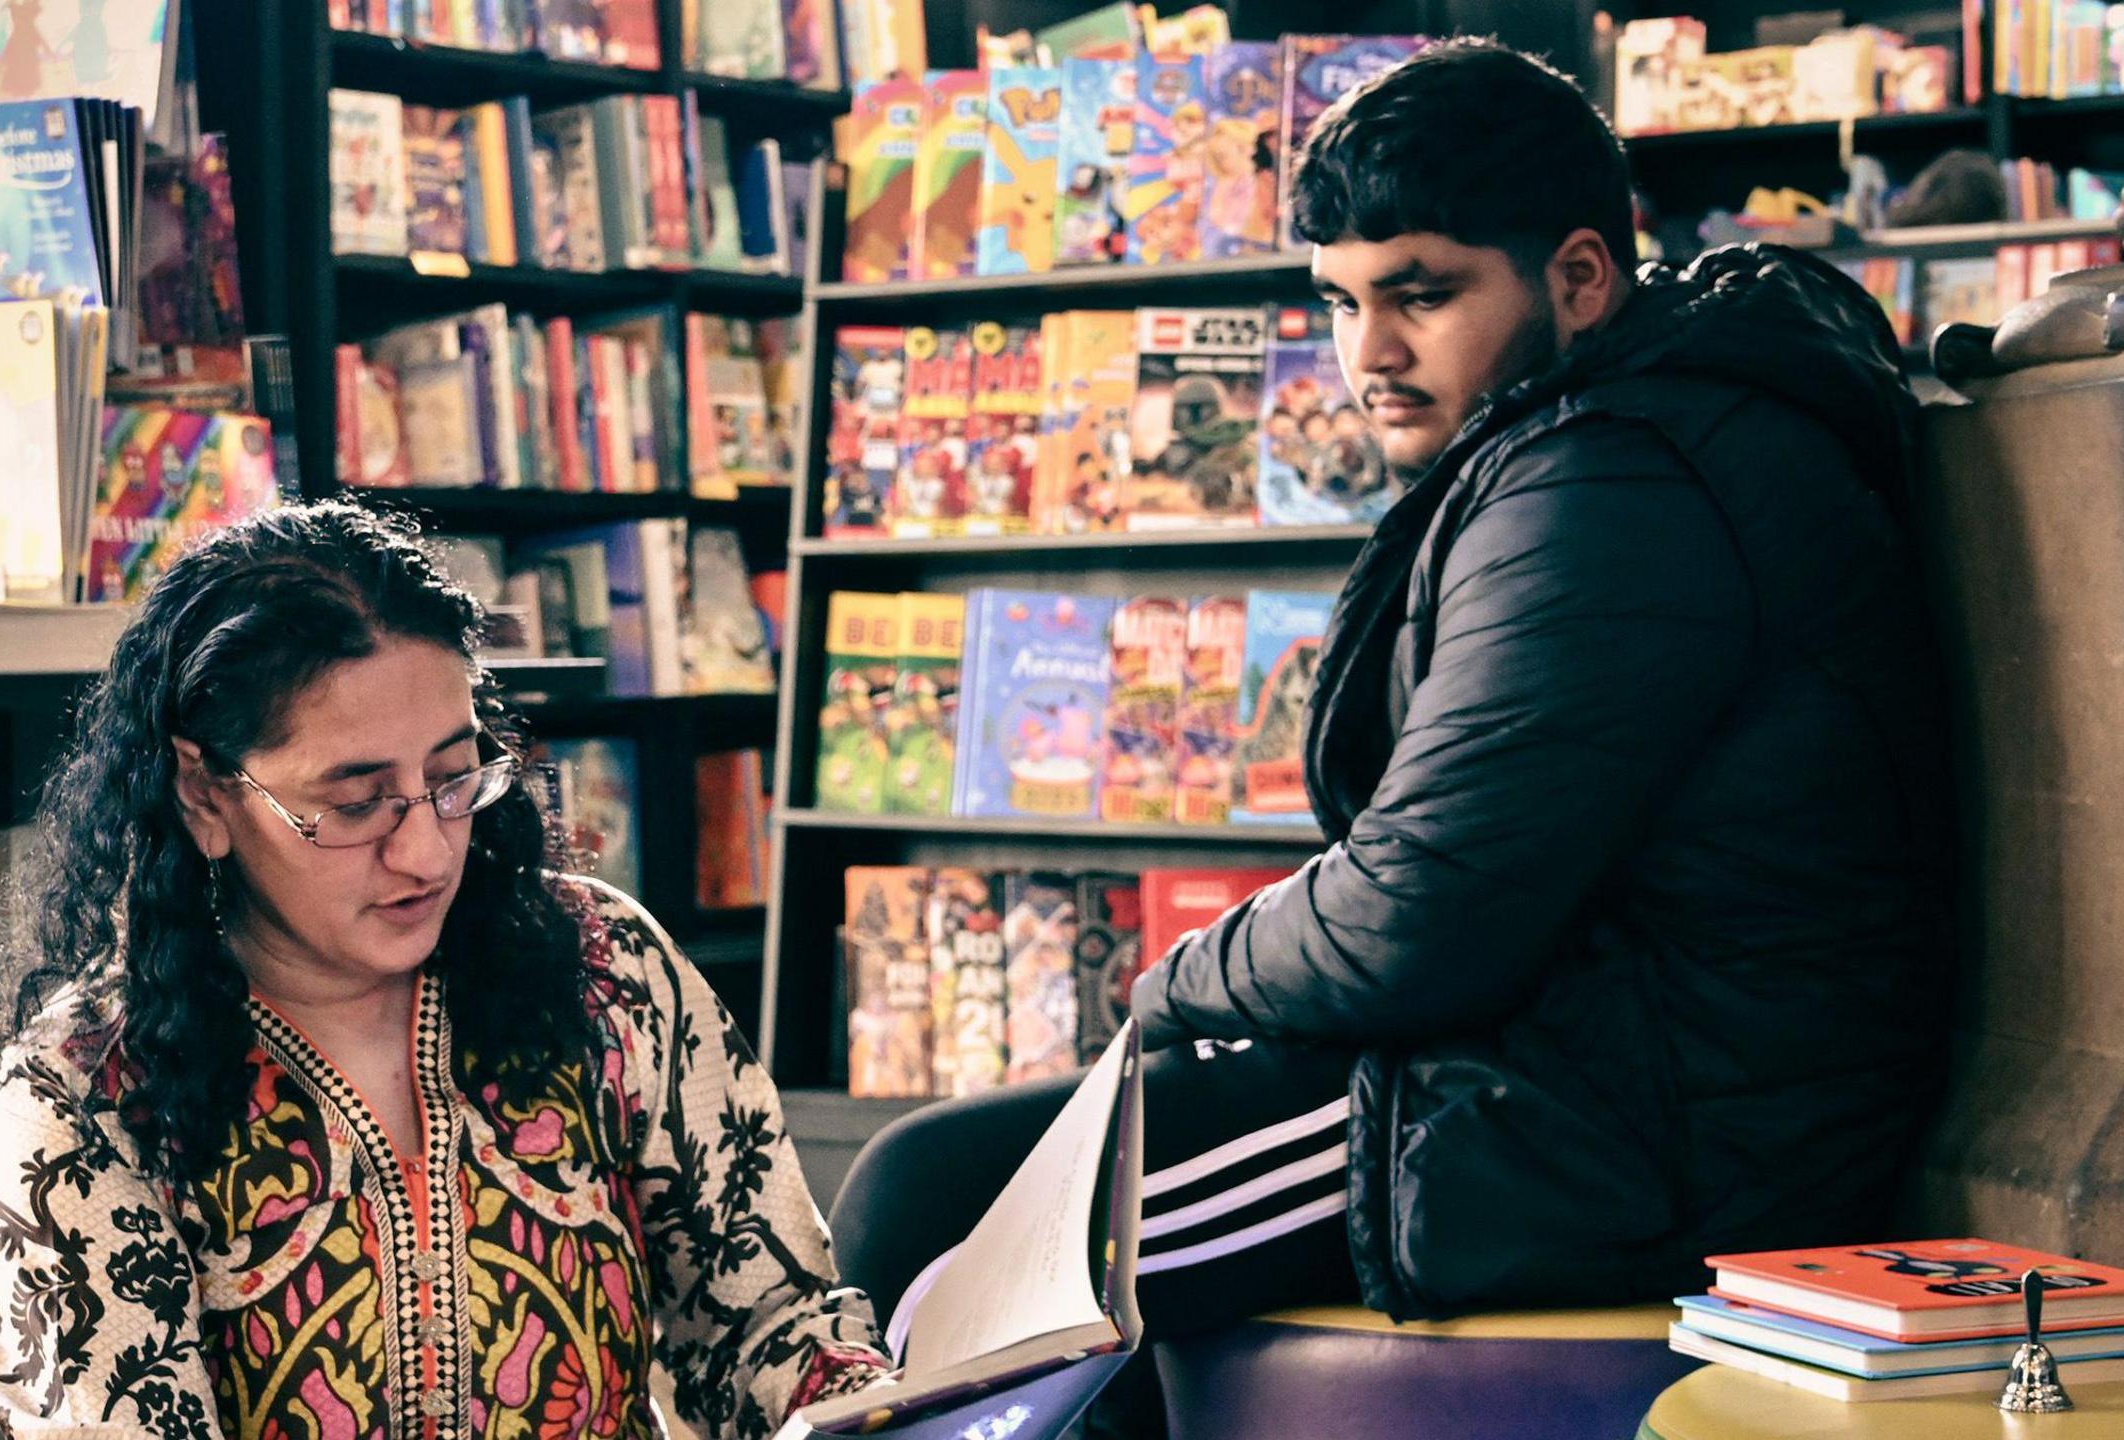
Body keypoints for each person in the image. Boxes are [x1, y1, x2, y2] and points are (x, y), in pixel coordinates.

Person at [830, 34, 1947, 1371]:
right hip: (1583, 1066)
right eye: (1340, 301)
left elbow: (1421, 915)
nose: (1369, 353)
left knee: (946, 1251)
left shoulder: (1619, 486)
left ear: (1580, 277)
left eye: (1421, 295)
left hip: (1636, 1128)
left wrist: (1174, 985)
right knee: (960, 1186)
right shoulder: (1621, 433)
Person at [0, 504, 889, 1438]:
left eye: (454, 777)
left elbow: (769, 1323)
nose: (430, 853)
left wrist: (866, 1408)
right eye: (357, 803)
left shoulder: (604, 969)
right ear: (203, 795)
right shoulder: (86, 1092)